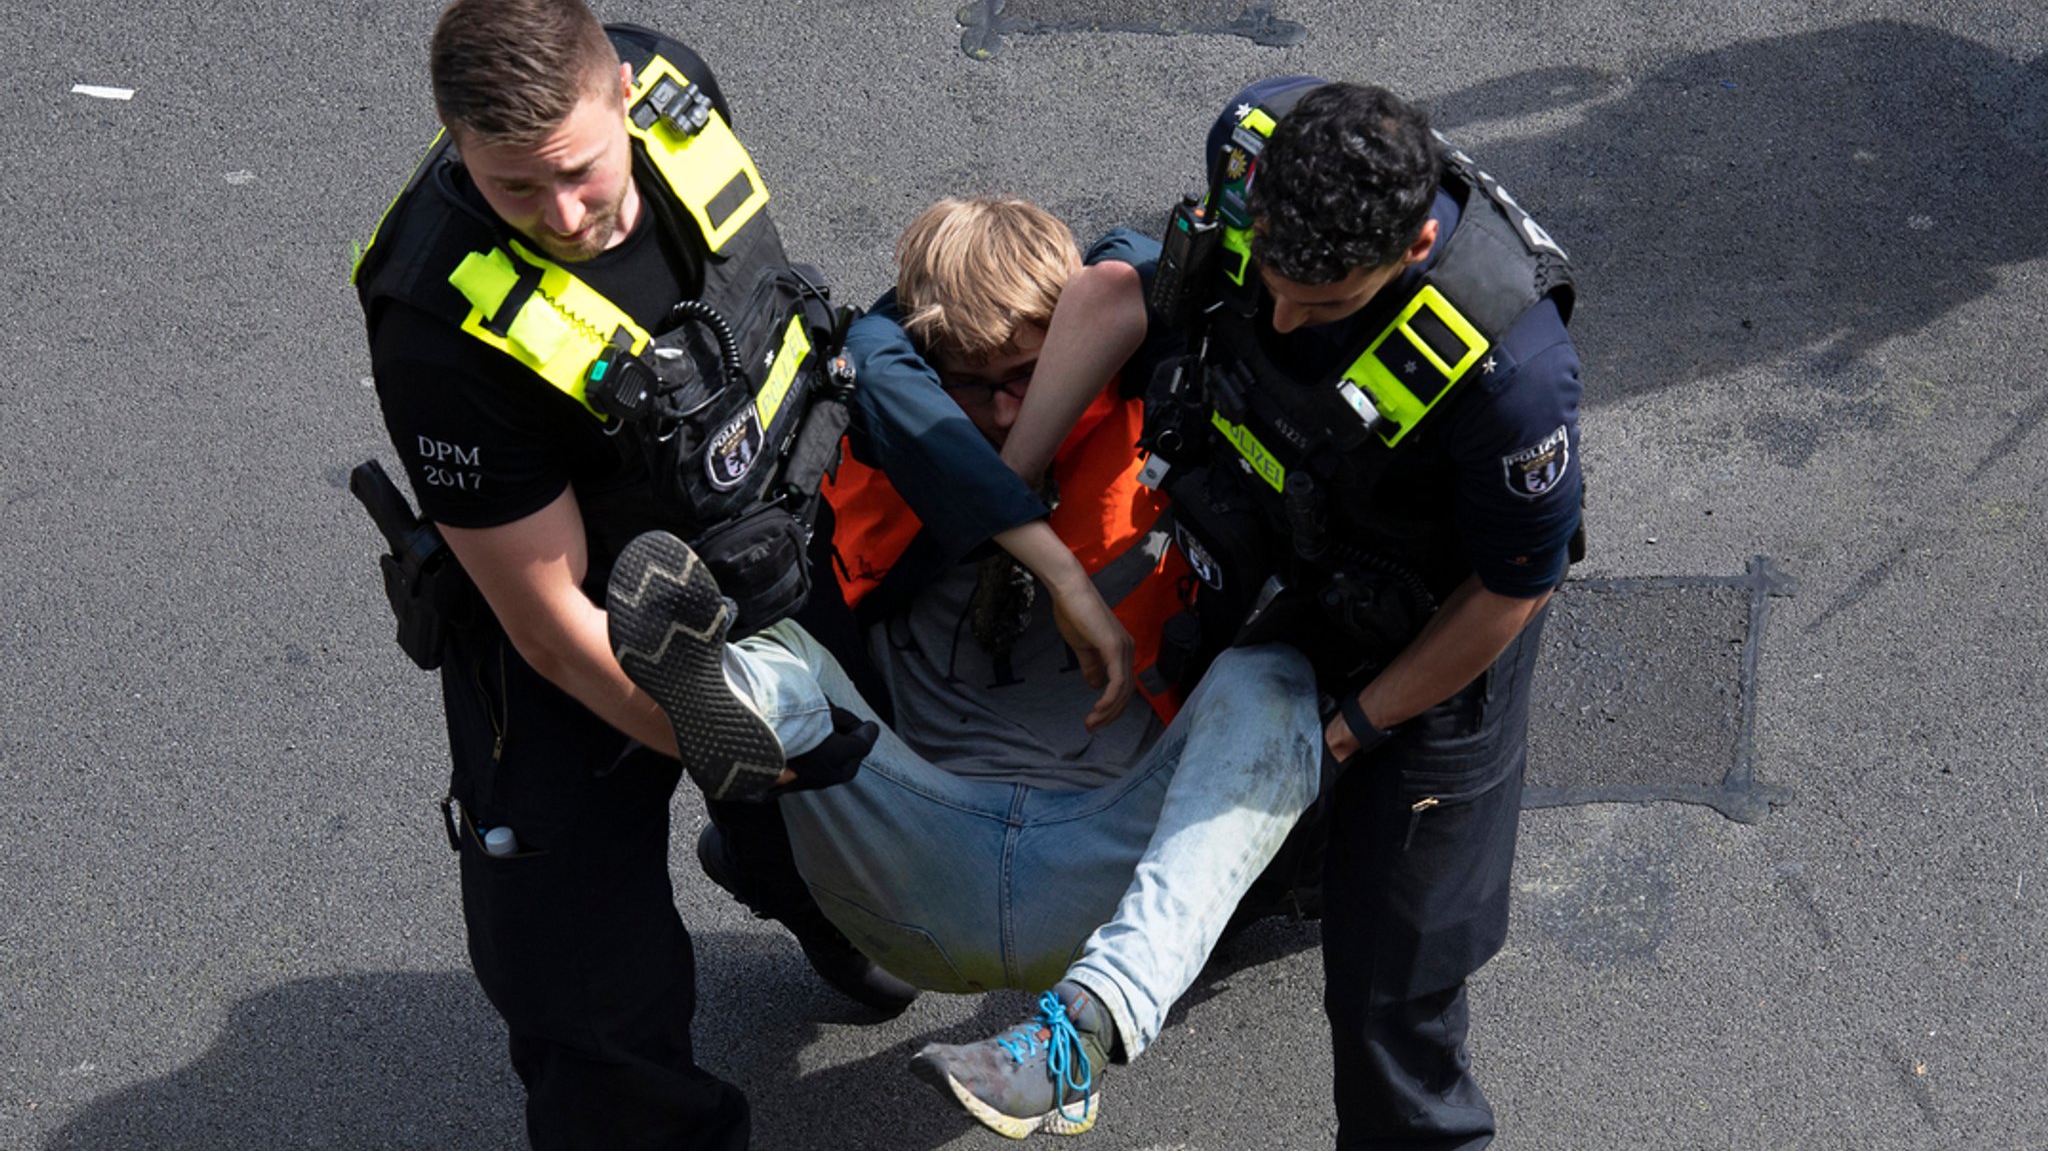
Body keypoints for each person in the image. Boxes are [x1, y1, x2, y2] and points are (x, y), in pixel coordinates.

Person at [604, 197, 1331, 1138]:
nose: (999, 411)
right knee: (787, 661)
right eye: (970, 384)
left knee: (1273, 684)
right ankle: (734, 711)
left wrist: (1028, 470)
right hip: (913, 850)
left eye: (1027, 376)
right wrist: (1045, 554)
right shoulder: (880, 423)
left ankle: (1084, 1027)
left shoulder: (1158, 396)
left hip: (1101, 864)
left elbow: (1139, 277)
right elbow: (869, 343)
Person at [350, 0, 905, 1145]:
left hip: (764, 532)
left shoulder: (674, 87)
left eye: (581, 174)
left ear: (620, 98)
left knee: (858, 805)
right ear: (455, 143)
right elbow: (550, 625)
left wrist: (782, 777)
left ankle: (788, 867)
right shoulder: (436, 327)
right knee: (578, 978)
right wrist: (713, 738)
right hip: (594, 626)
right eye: (514, 189)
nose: (562, 217)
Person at [1119, 79, 1584, 1148]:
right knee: (1208, 782)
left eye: (1323, 306)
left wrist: (1351, 730)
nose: (1282, 317)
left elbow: (1512, 586)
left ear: (1416, 245)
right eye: (1271, 280)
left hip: (1434, 618)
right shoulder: (1258, 144)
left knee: (1388, 993)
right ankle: (1265, 889)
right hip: (1287, 532)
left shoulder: (1508, 372)